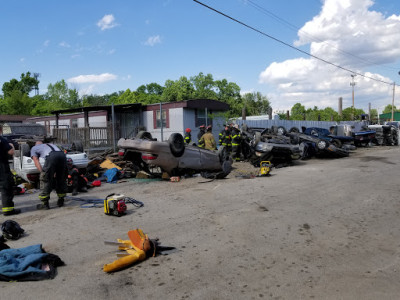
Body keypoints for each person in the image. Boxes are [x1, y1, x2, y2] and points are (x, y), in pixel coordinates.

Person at [31, 141, 67, 209]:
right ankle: (61, 200)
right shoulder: (51, 144)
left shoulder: (34, 148)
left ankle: (45, 204)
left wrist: (42, 172)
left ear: (36, 145)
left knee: (45, 180)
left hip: (51, 156)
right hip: (62, 155)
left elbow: (36, 160)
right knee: (60, 179)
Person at [0, 136, 20, 215]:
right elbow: (10, 152)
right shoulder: (2, 140)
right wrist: (11, 146)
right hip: (1, 166)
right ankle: (8, 210)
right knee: (5, 187)